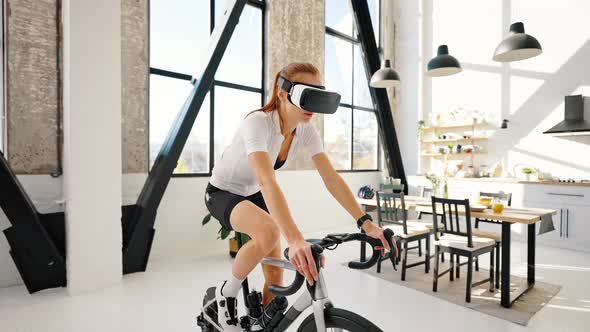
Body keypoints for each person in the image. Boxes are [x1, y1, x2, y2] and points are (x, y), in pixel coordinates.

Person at [204, 62, 390, 331]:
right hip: (222, 192)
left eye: (318, 95)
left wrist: (365, 222)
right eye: (307, 94)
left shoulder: (305, 129)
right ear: (282, 93)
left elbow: (331, 178)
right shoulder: (257, 123)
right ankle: (225, 296)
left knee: (276, 275)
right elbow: (268, 181)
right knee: (269, 231)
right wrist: (295, 240)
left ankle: (260, 324)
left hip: (253, 192)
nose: (312, 106)